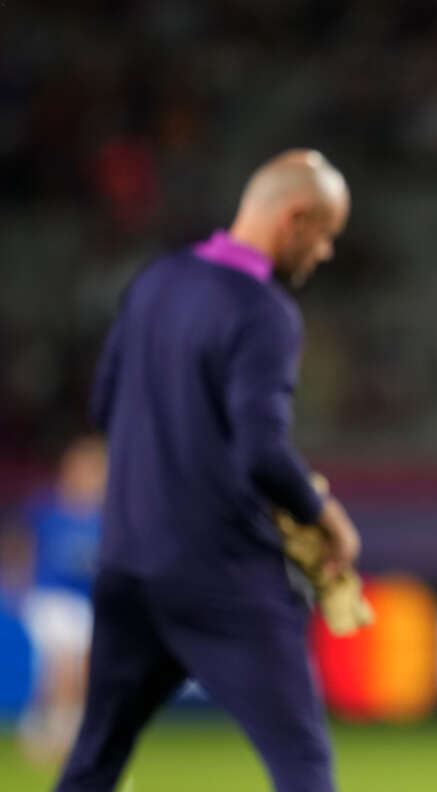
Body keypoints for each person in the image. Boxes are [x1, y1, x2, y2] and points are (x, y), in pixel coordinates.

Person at [55, 149, 361, 792]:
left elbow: (104, 405)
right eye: (326, 234)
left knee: (93, 764)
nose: (326, 253)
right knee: (302, 764)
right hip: (221, 577)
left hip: (128, 565)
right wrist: (322, 514)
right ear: (294, 218)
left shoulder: (154, 282)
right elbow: (260, 450)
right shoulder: (263, 312)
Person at [14, 436, 106, 763]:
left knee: (76, 671)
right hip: (50, 598)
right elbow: (21, 548)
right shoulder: (46, 508)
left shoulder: (105, 517)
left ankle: (45, 729)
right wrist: (19, 587)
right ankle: (60, 734)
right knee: (65, 664)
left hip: (86, 604)